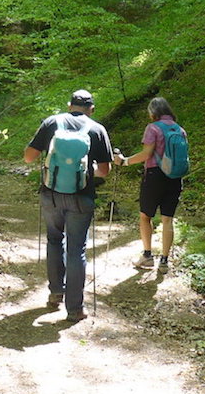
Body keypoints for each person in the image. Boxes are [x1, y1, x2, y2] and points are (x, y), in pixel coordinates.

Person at [24, 89, 113, 322]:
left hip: (51, 194)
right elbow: (104, 171)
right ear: (91, 109)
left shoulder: (51, 122)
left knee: (54, 240)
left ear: (69, 105)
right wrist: (84, 171)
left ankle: (55, 294)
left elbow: (28, 157)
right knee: (76, 249)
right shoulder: (97, 129)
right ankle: (75, 309)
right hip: (81, 198)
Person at [112, 97, 186, 275]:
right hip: (175, 177)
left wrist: (124, 162)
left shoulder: (153, 128)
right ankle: (164, 261)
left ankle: (147, 256)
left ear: (153, 112)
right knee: (167, 219)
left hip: (155, 176)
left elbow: (147, 153)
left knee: (145, 216)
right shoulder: (180, 129)